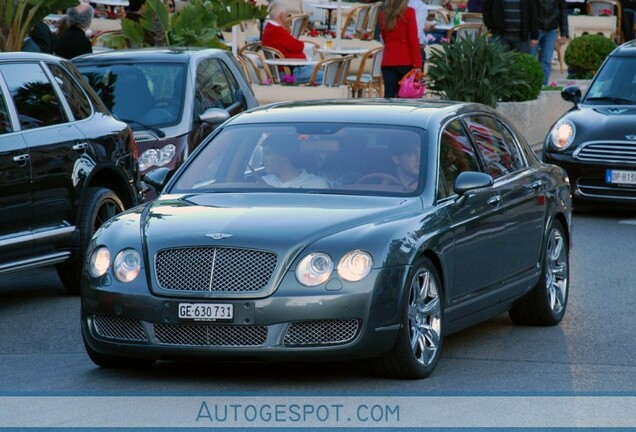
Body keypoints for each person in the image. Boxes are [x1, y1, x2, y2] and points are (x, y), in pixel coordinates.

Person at [261, 1, 322, 85]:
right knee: (328, 75)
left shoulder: (270, 28)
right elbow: (298, 46)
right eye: (287, 14)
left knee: (321, 69)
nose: (287, 17)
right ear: (282, 16)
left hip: (291, 69)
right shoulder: (277, 31)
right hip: (292, 72)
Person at [379, 0, 422, 98]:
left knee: (389, 96)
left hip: (388, 60)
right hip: (405, 60)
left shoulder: (383, 14)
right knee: (404, 97)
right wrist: (417, 64)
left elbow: (384, 37)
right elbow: (413, 40)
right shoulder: (409, 12)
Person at [260, 133, 330, 188]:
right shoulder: (261, 182)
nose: (263, 160)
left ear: (285, 155)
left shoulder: (316, 184)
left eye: (267, 153)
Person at [531, 0, 568, 85]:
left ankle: (543, 87)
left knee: (546, 61)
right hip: (535, 28)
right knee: (531, 59)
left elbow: (563, 10)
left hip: (552, 30)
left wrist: (564, 33)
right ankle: (530, 87)